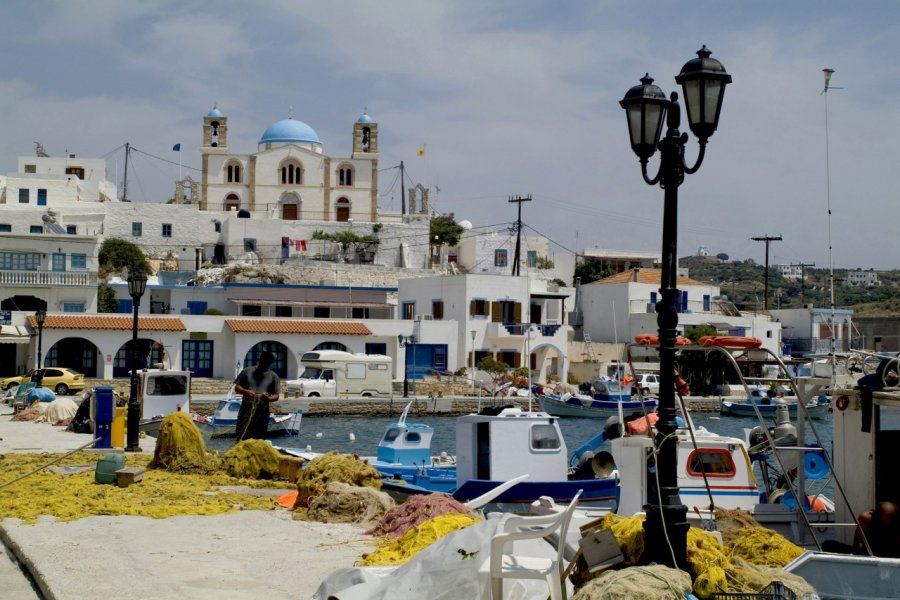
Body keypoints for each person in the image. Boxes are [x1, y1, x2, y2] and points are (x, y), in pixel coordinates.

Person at [233, 351, 280, 442]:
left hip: (262, 415)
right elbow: (237, 388)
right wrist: (246, 392)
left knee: (259, 440)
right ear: (260, 360)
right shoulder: (247, 371)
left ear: (270, 363)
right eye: (264, 361)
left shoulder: (274, 376)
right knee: (242, 438)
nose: (265, 364)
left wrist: (268, 398)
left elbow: (276, 396)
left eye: (268, 362)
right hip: (245, 414)